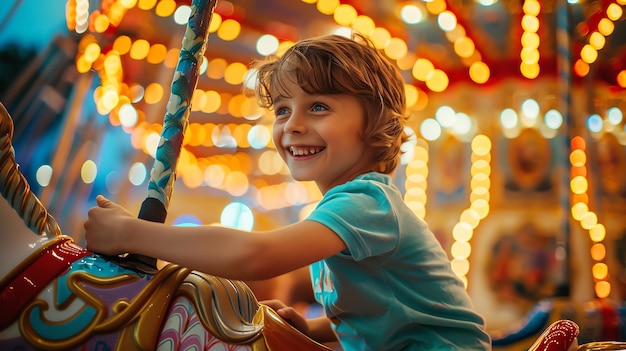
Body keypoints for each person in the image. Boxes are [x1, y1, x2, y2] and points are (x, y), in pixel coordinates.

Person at [84, 33, 491, 350]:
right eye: (282, 109)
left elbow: (256, 255)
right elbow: (383, 313)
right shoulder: (345, 207)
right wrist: (313, 326)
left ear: (375, 123)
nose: (291, 125)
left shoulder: (367, 203)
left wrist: (133, 234)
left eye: (317, 107)